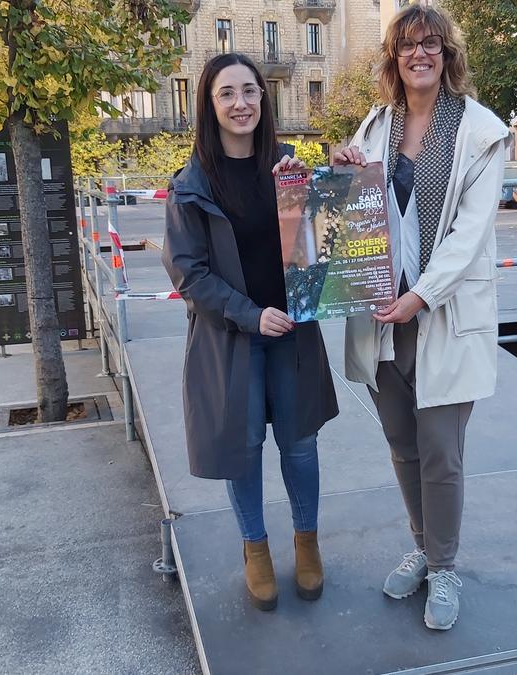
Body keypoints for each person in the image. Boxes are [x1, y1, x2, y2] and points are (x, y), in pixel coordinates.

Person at [333, 4, 510, 631]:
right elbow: (353, 207)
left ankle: (446, 568)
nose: (419, 54)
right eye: (407, 45)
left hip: (440, 313)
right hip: (384, 315)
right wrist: (341, 170)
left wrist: (420, 296)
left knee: (441, 452)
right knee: (402, 448)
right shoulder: (377, 124)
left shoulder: (481, 131)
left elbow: (470, 234)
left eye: (430, 43)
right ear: (393, 57)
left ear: (448, 53)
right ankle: (424, 547)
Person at [162, 53, 340, 612]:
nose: (241, 104)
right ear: (209, 106)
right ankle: (255, 551)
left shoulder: (289, 170)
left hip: (292, 332)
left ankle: (306, 542)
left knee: (300, 442)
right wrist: (247, 312)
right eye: (226, 94)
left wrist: (342, 181)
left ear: (264, 99)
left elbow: (322, 245)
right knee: (244, 449)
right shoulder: (190, 185)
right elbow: (188, 273)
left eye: (250, 92)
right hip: (231, 337)